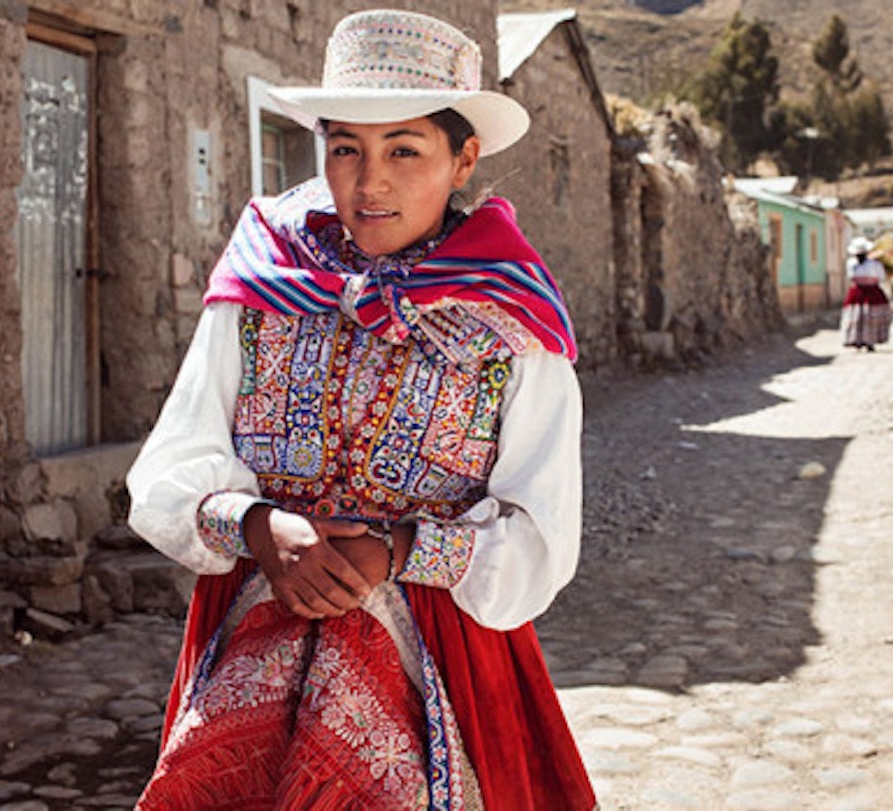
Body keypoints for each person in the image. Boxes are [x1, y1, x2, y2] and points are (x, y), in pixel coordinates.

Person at [125, 9, 596, 810]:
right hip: (254, 639)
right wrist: (254, 527)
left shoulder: (514, 325)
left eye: (405, 149)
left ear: (464, 159)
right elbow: (169, 469)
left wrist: (403, 549)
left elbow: (541, 534)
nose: (369, 180)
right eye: (345, 147)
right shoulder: (261, 287)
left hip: (438, 664)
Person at [841, 236, 892, 352]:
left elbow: (881, 277)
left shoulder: (874, 264)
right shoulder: (852, 264)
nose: (859, 257)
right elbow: (851, 276)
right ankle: (856, 340)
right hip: (858, 293)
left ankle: (870, 341)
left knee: (871, 317)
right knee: (855, 317)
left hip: (871, 293)